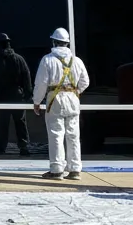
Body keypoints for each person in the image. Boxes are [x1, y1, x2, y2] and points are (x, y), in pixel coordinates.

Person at [32, 27, 90, 180]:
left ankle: (57, 170)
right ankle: (75, 169)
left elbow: (41, 83)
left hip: (54, 99)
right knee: (73, 135)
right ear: (67, 43)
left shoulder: (47, 60)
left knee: (56, 134)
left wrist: (37, 101)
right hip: (72, 99)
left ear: (54, 41)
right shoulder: (77, 61)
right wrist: (76, 92)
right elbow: (85, 81)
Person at [0, 32, 31, 156]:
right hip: (17, 94)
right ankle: (24, 147)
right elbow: (26, 77)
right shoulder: (18, 58)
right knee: (20, 122)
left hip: (3, 96)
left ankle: (1, 147)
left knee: (2, 123)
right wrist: (27, 93)